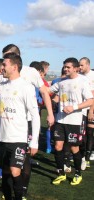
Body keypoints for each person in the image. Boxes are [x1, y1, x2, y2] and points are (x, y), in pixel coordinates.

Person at [0, 52, 40, 200]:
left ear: (15, 67)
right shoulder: (1, 85)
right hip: (2, 138)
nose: (2, 67)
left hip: (18, 138)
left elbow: (35, 115)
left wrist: (34, 141)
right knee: (5, 173)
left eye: (5, 64)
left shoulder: (26, 87)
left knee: (15, 171)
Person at [50, 57, 93, 186]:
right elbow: (48, 91)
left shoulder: (83, 81)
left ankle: (78, 173)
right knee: (58, 146)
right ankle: (61, 173)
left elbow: (91, 100)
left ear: (76, 68)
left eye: (68, 67)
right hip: (60, 120)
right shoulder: (62, 82)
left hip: (74, 121)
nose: (65, 69)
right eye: (65, 67)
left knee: (74, 147)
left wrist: (74, 107)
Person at [79, 57, 94, 169]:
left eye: (82, 65)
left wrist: (91, 111)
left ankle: (87, 158)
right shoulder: (80, 76)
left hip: (91, 108)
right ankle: (82, 155)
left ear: (88, 65)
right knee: (82, 133)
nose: (80, 67)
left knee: (89, 132)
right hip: (82, 108)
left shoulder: (92, 76)